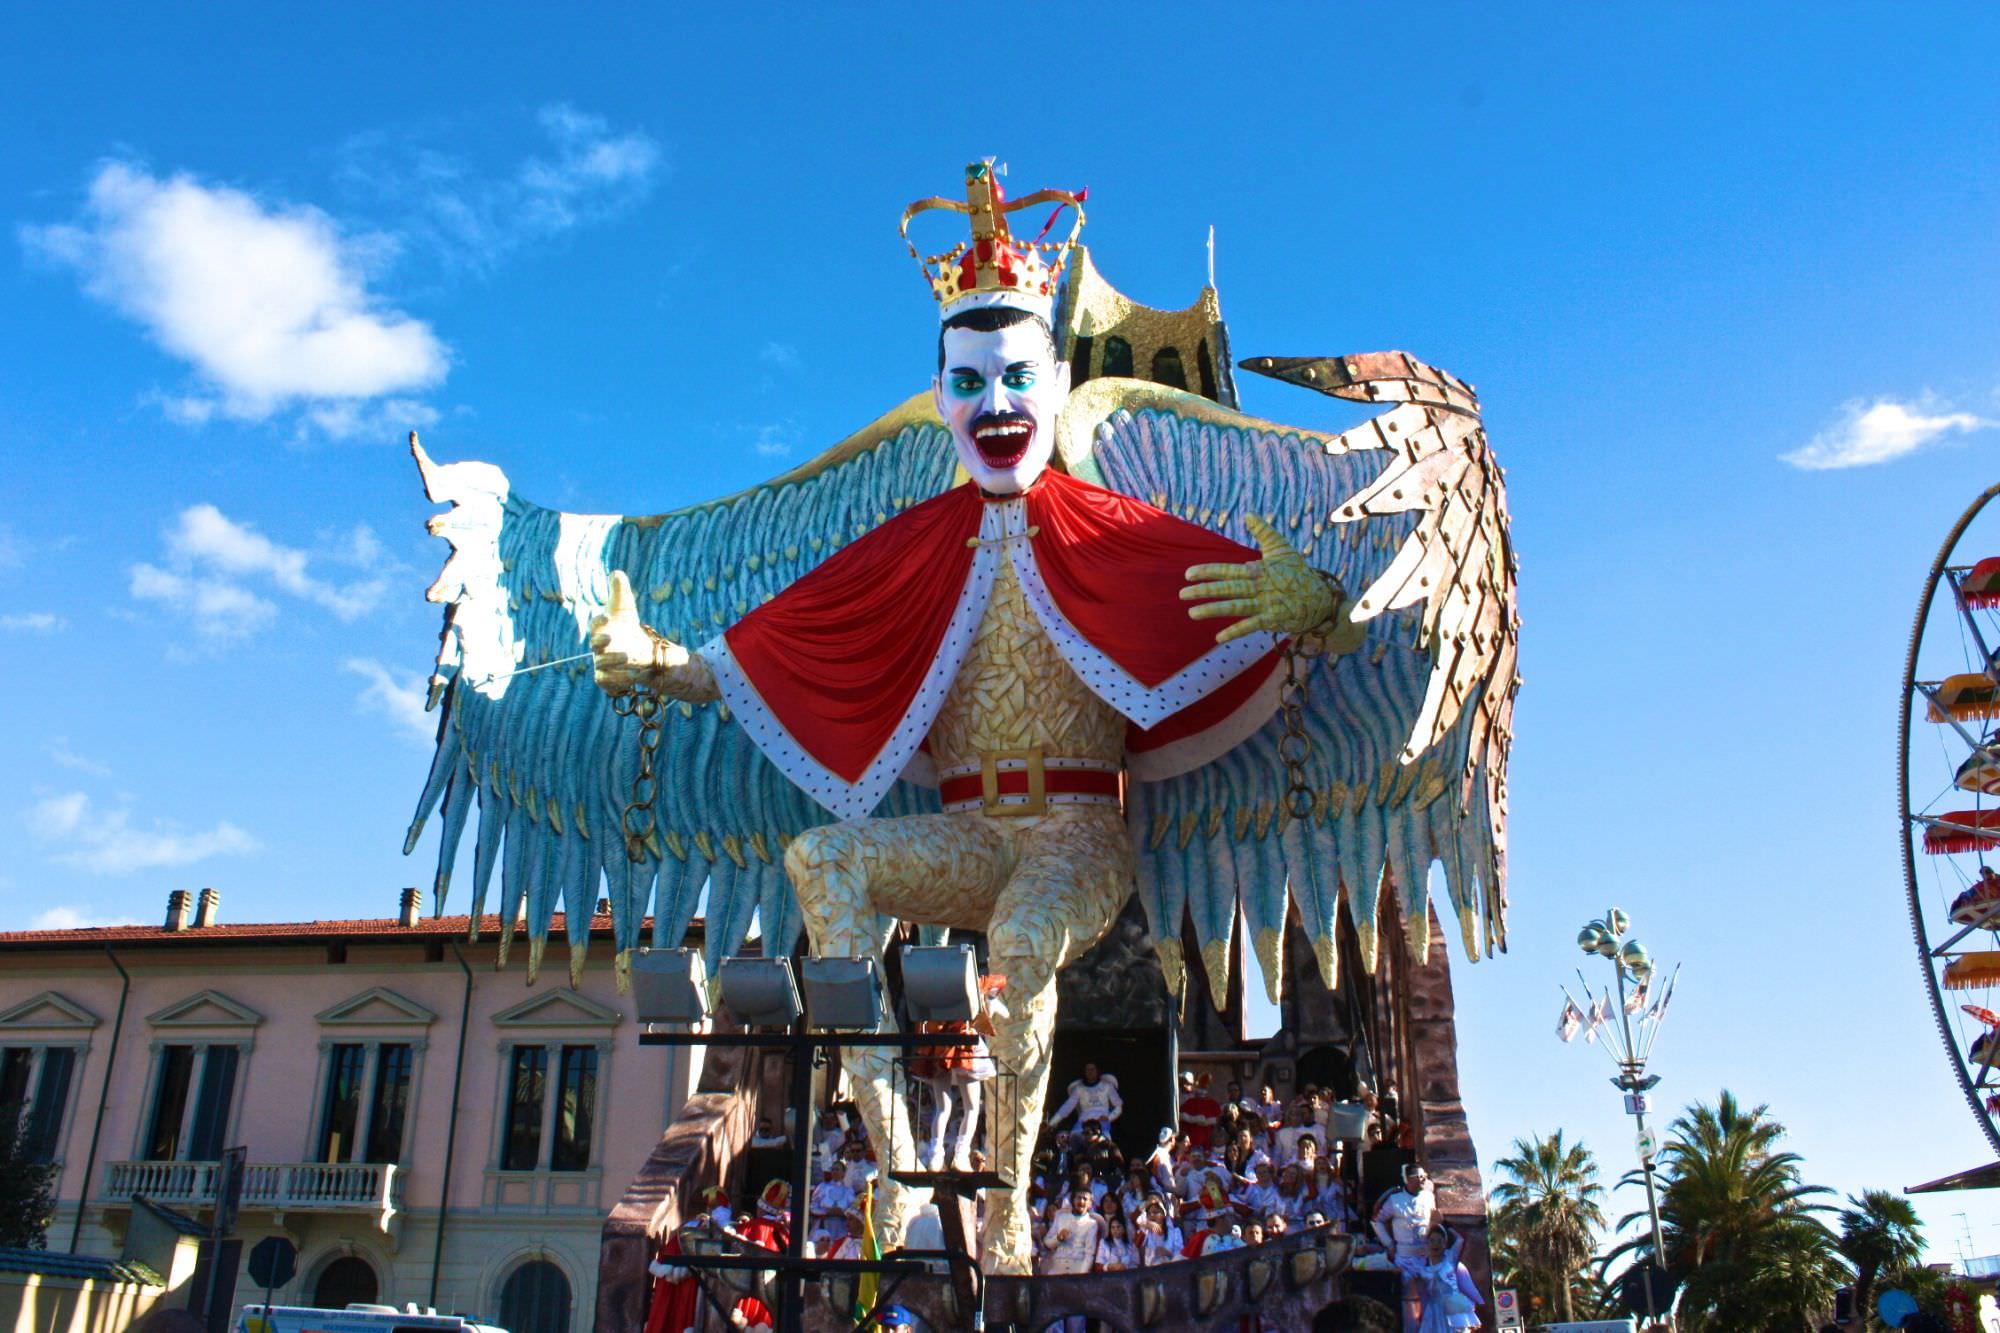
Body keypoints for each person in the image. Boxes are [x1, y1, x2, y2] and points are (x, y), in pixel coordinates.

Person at [587, 161, 1353, 1273]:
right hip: (966, 834)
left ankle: (1003, 1229)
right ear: (941, 394)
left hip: (1078, 836)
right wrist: (657, 661)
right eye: (968, 381)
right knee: (821, 859)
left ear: (1053, 383)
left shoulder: (1117, 532)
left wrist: (1312, 606)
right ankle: (897, 1160)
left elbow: (1295, 611)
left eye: (1015, 378)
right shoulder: (909, 551)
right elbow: (783, 647)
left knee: (1025, 940)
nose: (994, 407)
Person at [1048, 1061, 1124, 1134]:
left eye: (1092, 1069)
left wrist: (1108, 1118)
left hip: (1101, 1122)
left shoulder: (1107, 1086)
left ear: (1097, 1071)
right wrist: (1051, 1124)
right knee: (1073, 1137)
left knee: (1104, 1140)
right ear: (1084, 1072)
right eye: (1087, 1069)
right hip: (1083, 1122)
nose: (1090, 1072)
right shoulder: (1079, 1089)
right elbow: (1066, 1108)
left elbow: (1118, 1106)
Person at [1179, 1071, 1223, 1149]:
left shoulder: (1212, 1104)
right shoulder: (1187, 1102)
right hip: (1191, 1140)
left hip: (1207, 1141)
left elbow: (1218, 1122)